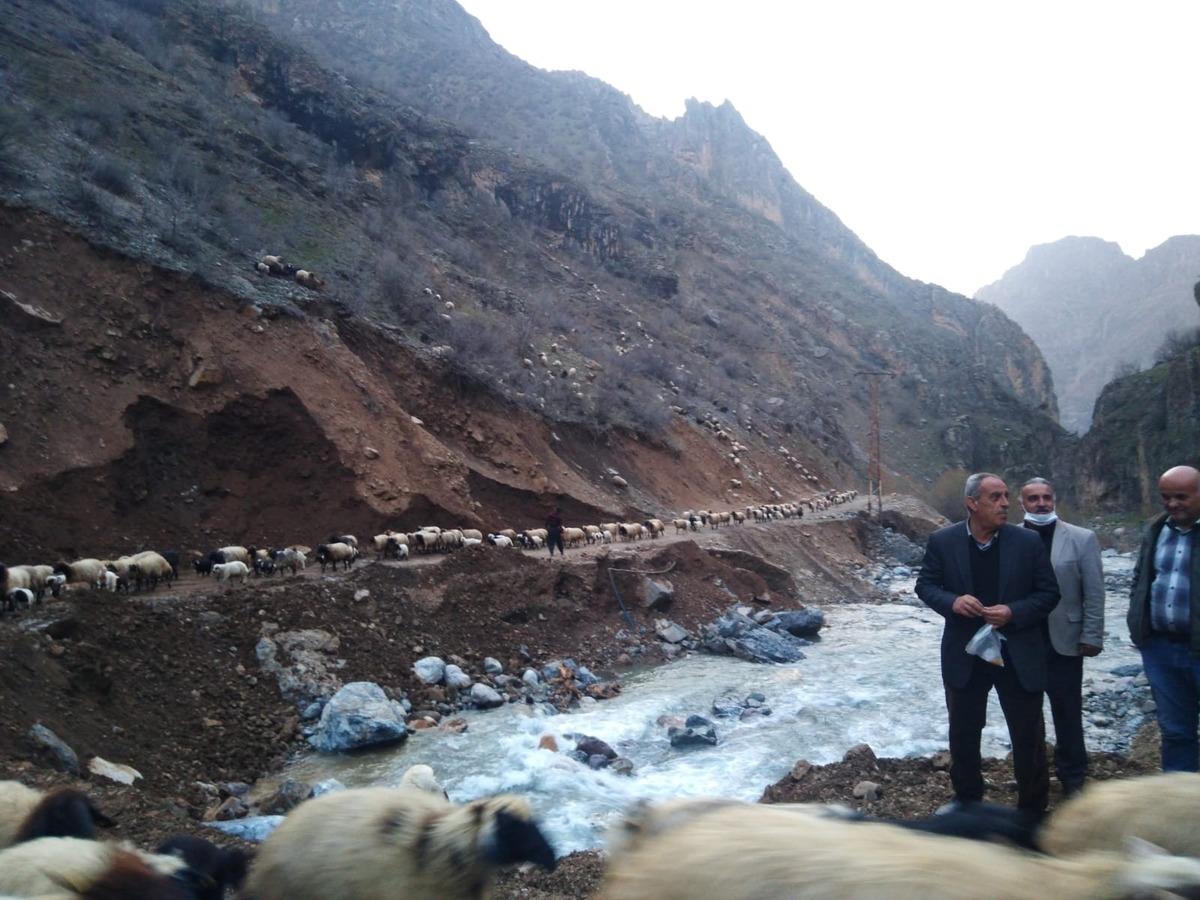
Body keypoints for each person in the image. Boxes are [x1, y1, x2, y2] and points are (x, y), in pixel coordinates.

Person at [916, 472, 1060, 814]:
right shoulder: (943, 541)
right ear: (972, 503)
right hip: (965, 655)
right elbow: (925, 585)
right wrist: (952, 602)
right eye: (995, 497)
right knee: (964, 734)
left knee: (1028, 736)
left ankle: (1033, 812)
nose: (1005, 504)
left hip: (1018, 653)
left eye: (1006, 496)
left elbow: (1049, 593)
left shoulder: (1027, 542)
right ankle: (967, 805)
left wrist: (1014, 611)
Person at [1019, 477, 1105, 797]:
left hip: (1065, 641)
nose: (1041, 503)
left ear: (1054, 499)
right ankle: (1033, 777)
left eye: (1046, 497)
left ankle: (1073, 779)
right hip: (1022, 643)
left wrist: (1092, 634)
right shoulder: (1009, 537)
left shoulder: (1081, 539)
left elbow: (1094, 592)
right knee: (1026, 716)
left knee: (1067, 713)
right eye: (1033, 499)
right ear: (1022, 503)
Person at [1127, 464, 1200, 772]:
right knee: (1176, 732)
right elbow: (1141, 579)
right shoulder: (1156, 530)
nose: (1172, 504)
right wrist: (1138, 625)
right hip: (1160, 650)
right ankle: (1182, 809)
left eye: (1181, 497)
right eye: (1166, 497)